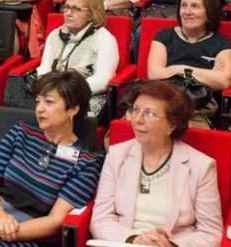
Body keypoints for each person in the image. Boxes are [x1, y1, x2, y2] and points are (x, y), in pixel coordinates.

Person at [0, 71, 103, 247]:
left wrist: (5, 231)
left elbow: (56, 220)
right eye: (38, 101)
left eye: (49, 102)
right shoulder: (21, 133)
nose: (40, 108)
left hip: (31, 236)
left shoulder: (86, 161)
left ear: (73, 108)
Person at [90, 80, 223, 247]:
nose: (137, 120)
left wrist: (171, 244)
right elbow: (101, 219)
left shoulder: (201, 166)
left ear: (172, 125)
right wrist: (134, 239)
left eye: (150, 114)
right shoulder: (117, 155)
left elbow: (210, 233)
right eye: (135, 110)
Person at [147, 0, 231, 125]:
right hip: (162, 99)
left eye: (195, 6)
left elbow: (224, 81)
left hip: (197, 106)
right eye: (184, 6)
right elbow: (154, 74)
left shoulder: (221, 43)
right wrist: (207, 74)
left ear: (209, 12)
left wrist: (173, 70)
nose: (187, 12)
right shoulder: (164, 36)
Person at [39, 0, 119, 116]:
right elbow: (45, 68)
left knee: (58, 112)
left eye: (76, 9)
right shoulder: (55, 34)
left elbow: (103, 79)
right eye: (67, 7)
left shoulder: (104, 38)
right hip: (51, 92)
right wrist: (49, 90)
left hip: (85, 95)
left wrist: (66, 91)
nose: (68, 13)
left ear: (92, 14)